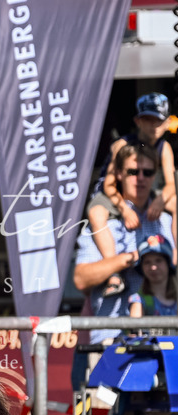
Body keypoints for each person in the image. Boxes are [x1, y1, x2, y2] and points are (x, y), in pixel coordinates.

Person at [74, 142, 173, 344]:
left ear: (155, 175)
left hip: (164, 338)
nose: (141, 178)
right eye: (133, 171)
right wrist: (131, 259)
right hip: (111, 338)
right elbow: (81, 279)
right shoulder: (103, 218)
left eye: (148, 172)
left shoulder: (166, 220)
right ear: (119, 174)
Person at [87, 93, 176, 297]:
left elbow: (171, 185)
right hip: (115, 195)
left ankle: (175, 256)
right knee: (96, 212)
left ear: (166, 123)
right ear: (138, 121)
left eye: (158, 121)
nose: (154, 126)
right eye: (148, 120)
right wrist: (125, 210)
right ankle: (114, 274)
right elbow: (110, 185)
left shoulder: (164, 147)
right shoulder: (123, 144)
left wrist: (161, 200)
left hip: (145, 193)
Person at [129, 234, 177, 323]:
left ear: (168, 264)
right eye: (147, 262)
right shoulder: (139, 300)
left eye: (159, 260)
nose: (153, 267)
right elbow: (134, 334)